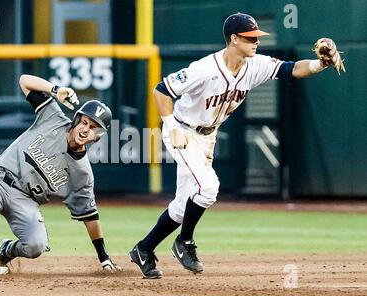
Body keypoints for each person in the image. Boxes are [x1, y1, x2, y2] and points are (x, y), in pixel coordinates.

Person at [129, 12, 344, 279]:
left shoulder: (255, 65)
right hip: (183, 131)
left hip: (207, 136)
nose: (256, 41)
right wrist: (170, 125)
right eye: (250, 37)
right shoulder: (204, 69)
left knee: (184, 204)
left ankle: (144, 249)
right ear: (233, 39)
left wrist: (321, 63)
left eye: (257, 37)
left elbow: (292, 69)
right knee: (208, 188)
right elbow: (162, 90)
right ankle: (184, 242)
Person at [0, 74, 122, 273]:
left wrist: (103, 256)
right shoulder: (53, 117)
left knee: (36, 246)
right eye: (84, 122)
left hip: (26, 201)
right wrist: (55, 90)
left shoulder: (83, 174)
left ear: (97, 137)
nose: (85, 129)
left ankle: (6, 251)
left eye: (93, 128)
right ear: (76, 119)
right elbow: (24, 80)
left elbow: (90, 215)